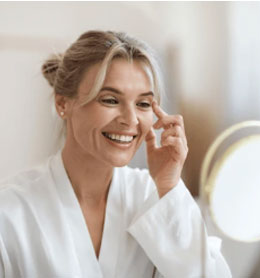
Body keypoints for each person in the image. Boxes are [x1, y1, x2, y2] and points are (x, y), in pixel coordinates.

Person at [0, 31, 231, 278]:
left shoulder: (154, 197)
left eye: (143, 104)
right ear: (62, 104)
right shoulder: (11, 212)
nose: (130, 120)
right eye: (110, 100)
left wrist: (168, 185)